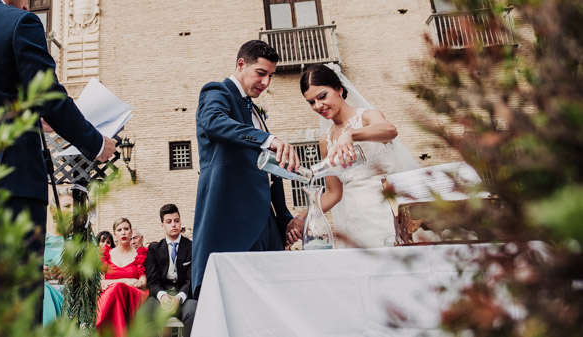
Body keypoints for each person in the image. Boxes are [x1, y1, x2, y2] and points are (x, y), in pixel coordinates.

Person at [0, 0, 117, 317]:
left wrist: (26, 112)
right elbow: (51, 97)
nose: (28, 5)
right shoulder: (20, 24)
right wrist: (96, 143)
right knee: (13, 300)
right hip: (10, 181)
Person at [191, 40, 302, 297]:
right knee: (231, 295)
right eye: (261, 74)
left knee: (270, 297)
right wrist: (269, 139)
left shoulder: (256, 112)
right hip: (231, 217)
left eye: (271, 76)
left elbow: (269, 173)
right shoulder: (217, 92)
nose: (265, 83)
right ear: (241, 64)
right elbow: (214, 122)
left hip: (265, 224)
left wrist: (284, 219)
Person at [294, 63, 418, 248]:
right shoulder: (325, 141)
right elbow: (333, 193)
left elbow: (390, 130)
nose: (318, 106)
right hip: (356, 220)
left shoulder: (368, 117)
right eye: (311, 102)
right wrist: (301, 217)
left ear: (339, 89)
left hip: (388, 212)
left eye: (322, 96)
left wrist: (351, 134)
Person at [141, 204, 197, 337]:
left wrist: (179, 298)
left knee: (194, 310)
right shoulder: (154, 249)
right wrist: (163, 296)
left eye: (176, 221)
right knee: (144, 313)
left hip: (184, 297)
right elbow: (153, 281)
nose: (173, 225)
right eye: (169, 221)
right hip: (162, 296)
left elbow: (191, 279)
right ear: (162, 225)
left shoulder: (192, 246)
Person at [96, 218, 148, 336]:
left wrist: (122, 284)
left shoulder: (140, 254)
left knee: (117, 288)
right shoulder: (106, 255)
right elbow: (101, 283)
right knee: (117, 288)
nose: (123, 232)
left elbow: (143, 283)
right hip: (109, 295)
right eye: (119, 230)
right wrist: (126, 280)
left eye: (126, 229)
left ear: (131, 232)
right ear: (115, 234)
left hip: (133, 295)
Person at [43, 186, 73, 325]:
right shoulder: (40, 241)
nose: (73, 211)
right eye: (67, 206)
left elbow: (95, 278)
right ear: (54, 211)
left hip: (70, 298)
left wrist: (73, 274)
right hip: (41, 294)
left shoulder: (82, 240)